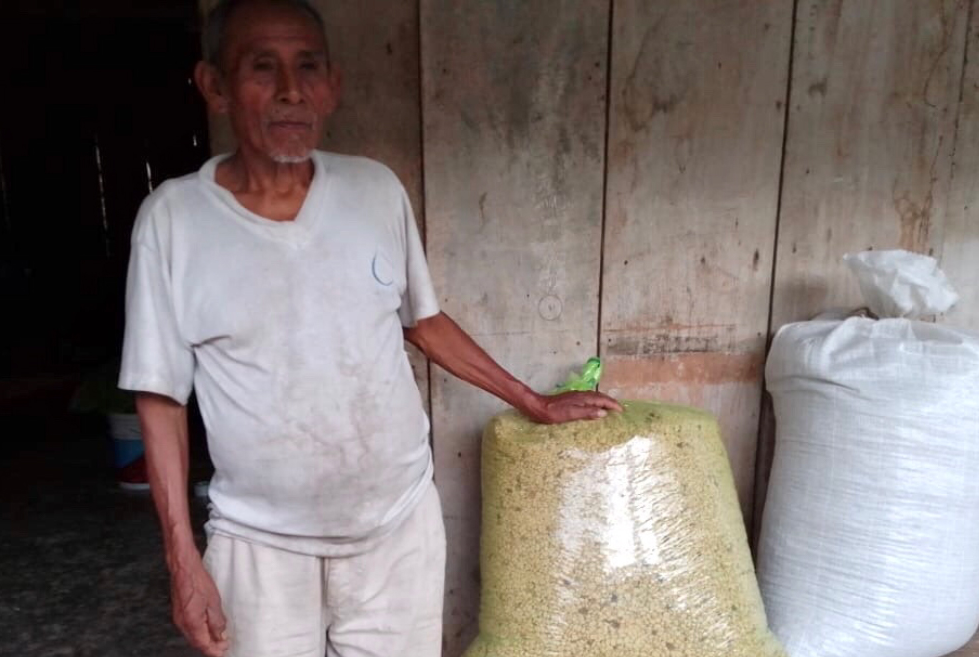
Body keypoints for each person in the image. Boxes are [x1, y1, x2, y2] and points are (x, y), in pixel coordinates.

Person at [117, 1, 622, 655]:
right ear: (213, 85)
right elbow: (159, 398)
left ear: (333, 85)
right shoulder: (173, 222)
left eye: (308, 67)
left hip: (396, 528)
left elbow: (426, 321)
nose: (291, 90)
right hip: (260, 544)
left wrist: (534, 400)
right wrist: (183, 560)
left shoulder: (374, 190)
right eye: (261, 67)